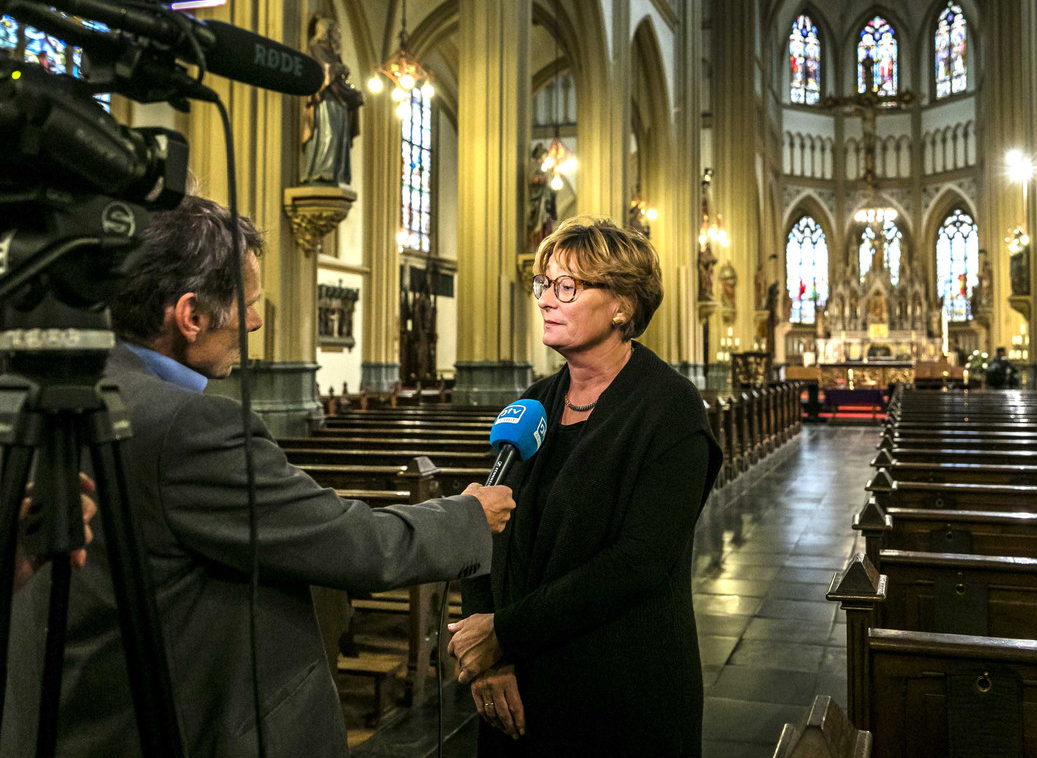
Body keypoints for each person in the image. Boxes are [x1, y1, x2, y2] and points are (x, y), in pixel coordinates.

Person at [2, 196, 514, 757]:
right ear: (191, 315)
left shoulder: (54, 389)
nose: (255, 321)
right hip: (188, 722)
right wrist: (467, 516)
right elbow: (349, 542)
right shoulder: (188, 427)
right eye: (246, 304)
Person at [450, 216, 722, 756]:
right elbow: (491, 524)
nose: (547, 300)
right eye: (543, 285)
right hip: (516, 688)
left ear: (623, 305)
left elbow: (638, 562)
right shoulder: (535, 402)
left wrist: (503, 632)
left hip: (619, 688)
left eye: (567, 287)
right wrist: (491, 657)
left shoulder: (668, 409)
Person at [300, 15, 364, 185]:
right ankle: (322, 170)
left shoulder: (334, 54)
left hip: (339, 101)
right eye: (336, 32)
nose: (338, 36)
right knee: (326, 133)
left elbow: (338, 73)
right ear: (327, 31)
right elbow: (322, 72)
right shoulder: (316, 48)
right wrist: (338, 69)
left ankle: (336, 171)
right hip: (326, 100)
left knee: (337, 137)